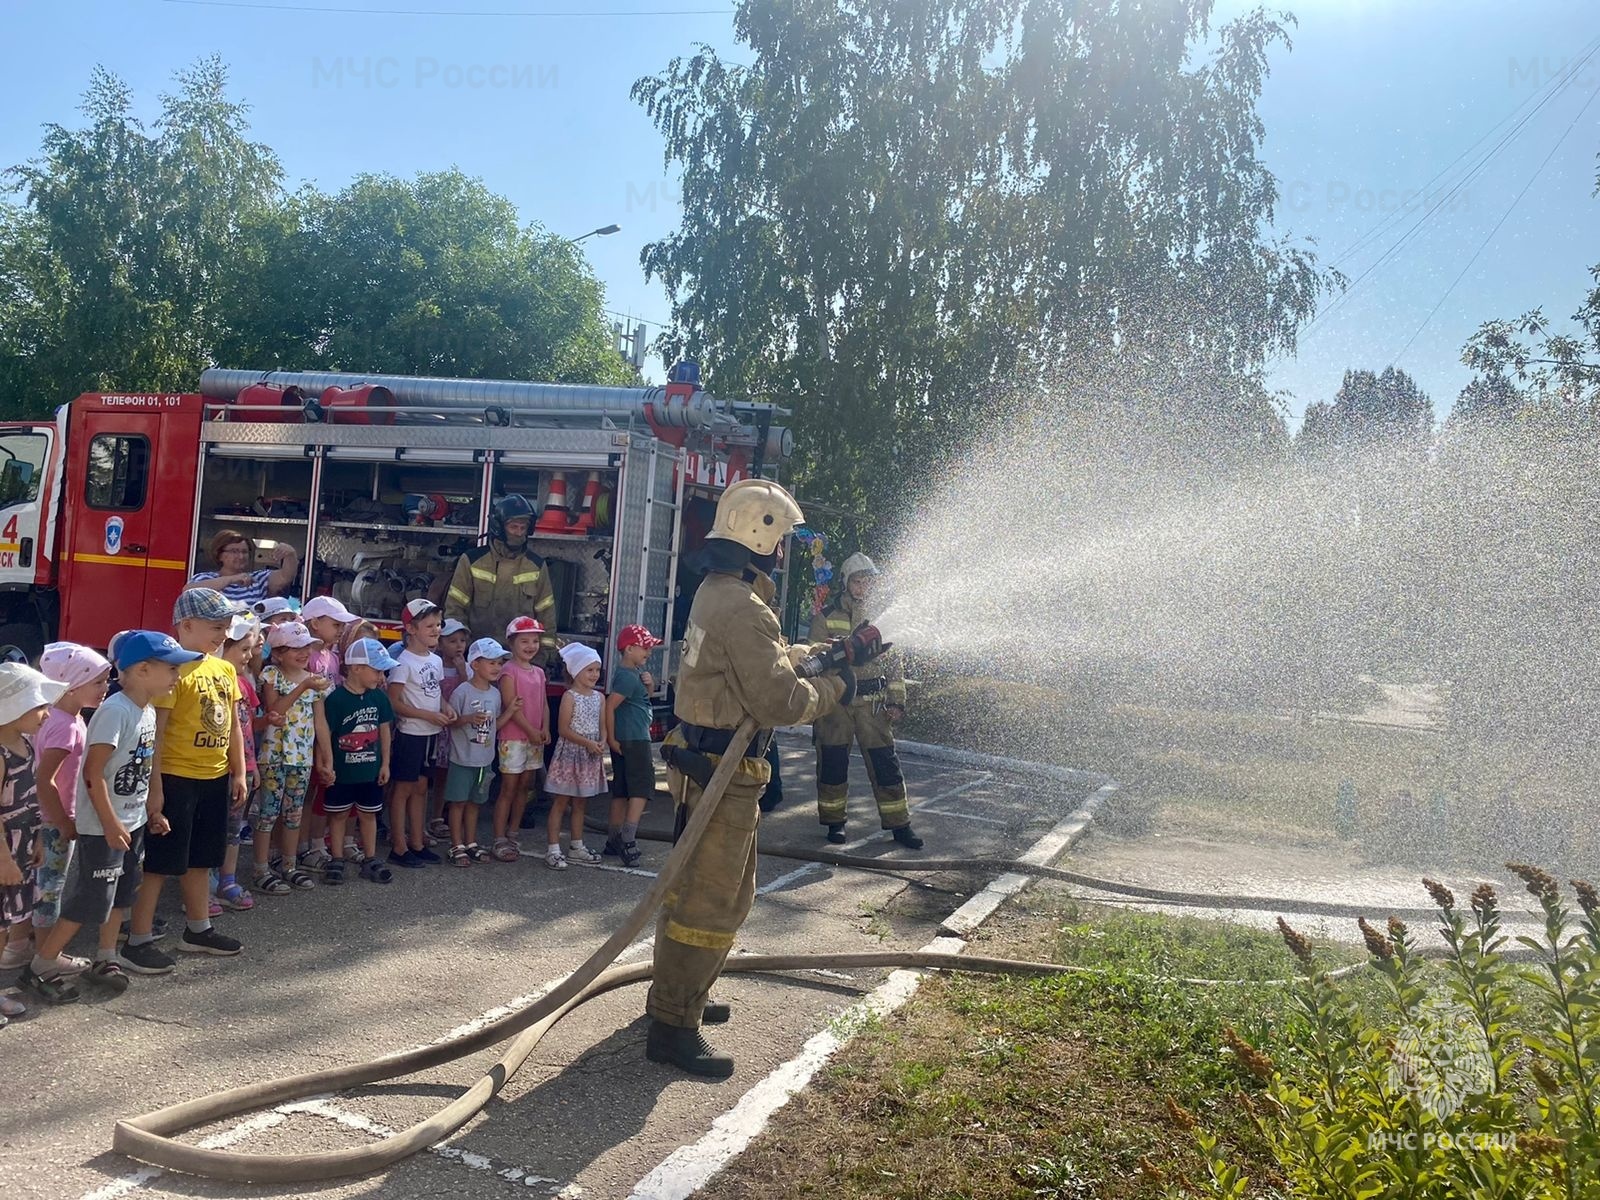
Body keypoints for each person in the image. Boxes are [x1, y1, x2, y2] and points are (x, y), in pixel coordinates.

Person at [645, 479, 874, 1077]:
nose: (783, 553)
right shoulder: (743, 608)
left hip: (708, 763)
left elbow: (754, 664)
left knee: (696, 887)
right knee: (714, 898)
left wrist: (809, 655)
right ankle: (672, 1026)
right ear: (758, 534)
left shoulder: (718, 592)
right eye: (779, 540)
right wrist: (837, 685)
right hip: (723, 772)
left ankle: (681, 997)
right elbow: (779, 701)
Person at [21, 633, 198, 1000]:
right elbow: (94, 774)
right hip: (104, 826)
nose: (177, 676)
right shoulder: (115, 711)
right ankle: (42, 964)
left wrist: (151, 809)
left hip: (129, 822)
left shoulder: (146, 709)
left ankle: (106, 955)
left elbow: (142, 766)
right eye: (171, 669)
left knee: (120, 894)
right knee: (89, 898)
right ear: (143, 670)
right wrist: (110, 823)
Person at [124, 589, 249, 971]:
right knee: (161, 862)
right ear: (187, 625)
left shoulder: (224, 668)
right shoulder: (172, 670)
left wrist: (239, 769)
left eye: (227, 628)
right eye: (216, 627)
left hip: (213, 776)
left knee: (202, 859)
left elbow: (233, 725)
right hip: (176, 776)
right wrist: (156, 787)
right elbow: (157, 733)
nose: (223, 636)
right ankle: (138, 937)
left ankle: (198, 928)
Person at [810, 553, 921, 849]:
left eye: (868, 582)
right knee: (832, 762)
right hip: (837, 704)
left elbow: (894, 662)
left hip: (873, 704)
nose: (863, 588)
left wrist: (896, 700)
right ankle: (834, 823)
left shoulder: (881, 617)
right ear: (847, 584)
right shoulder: (826, 617)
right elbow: (812, 657)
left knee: (886, 764)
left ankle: (900, 825)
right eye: (858, 582)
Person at [0, 664, 69, 1019]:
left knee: (7, 922)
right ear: (13, 708)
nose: (46, 713)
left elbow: (29, 800)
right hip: (3, 849)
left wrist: (37, 839)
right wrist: (4, 859)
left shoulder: (25, 744)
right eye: (39, 706)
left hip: (23, 843)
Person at [31, 644, 112, 940]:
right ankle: (45, 953)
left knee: (36, 883)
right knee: (50, 887)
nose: (105, 688)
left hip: (42, 815)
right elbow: (45, 779)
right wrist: (64, 821)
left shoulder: (49, 716)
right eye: (98, 682)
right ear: (70, 687)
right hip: (55, 819)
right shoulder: (67, 727)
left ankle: (18, 946)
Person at [250, 622, 331, 894]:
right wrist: (304, 685)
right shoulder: (272, 674)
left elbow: (321, 723)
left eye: (306, 646)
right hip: (274, 757)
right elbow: (274, 709)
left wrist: (327, 759)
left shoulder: (314, 679)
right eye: (295, 648)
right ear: (278, 653)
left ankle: (289, 864)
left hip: (302, 759)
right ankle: (261, 868)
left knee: (294, 813)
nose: (303, 652)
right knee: (268, 814)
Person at [315, 637, 397, 885]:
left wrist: (385, 763)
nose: (380, 676)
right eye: (376, 669)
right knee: (339, 815)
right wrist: (324, 764)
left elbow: (384, 731)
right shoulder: (336, 699)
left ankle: (370, 858)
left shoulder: (379, 698)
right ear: (356, 668)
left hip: (370, 769)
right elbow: (325, 735)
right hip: (343, 771)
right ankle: (337, 857)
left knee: (368, 814)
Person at [445, 494, 558, 666]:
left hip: (520, 660)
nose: (519, 533)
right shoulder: (472, 560)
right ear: (499, 527)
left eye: (523, 528)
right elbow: (455, 609)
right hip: (479, 657)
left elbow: (546, 615)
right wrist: (464, 649)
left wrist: (543, 658)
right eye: (513, 527)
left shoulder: (536, 566)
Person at [387, 599, 453, 868]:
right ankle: (398, 845)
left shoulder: (435, 660)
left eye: (438, 624)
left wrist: (446, 708)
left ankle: (417, 841)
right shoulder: (402, 662)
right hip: (410, 733)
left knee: (422, 786)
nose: (436, 630)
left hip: (431, 732)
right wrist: (428, 715)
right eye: (429, 625)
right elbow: (395, 702)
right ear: (411, 628)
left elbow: (435, 693)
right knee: (403, 788)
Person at [444, 638, 513, 867]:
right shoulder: (463, 691)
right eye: (491, 662)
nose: (497, 667)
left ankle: (471, 842)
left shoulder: (495, 694)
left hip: (485, 761)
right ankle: (456, 844)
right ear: (475, 664)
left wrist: (510, 711)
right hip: (462, 759)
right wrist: (468, 719)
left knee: (475, 802)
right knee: (458, 802)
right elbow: (450, 722)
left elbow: (495, 726)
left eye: (499, 663)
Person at [212, 614, 261, 913]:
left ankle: (227, 880)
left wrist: (248, 768)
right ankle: (204, 884)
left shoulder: (244, 684)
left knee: (232, 828)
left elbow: (246, 729)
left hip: (242, 768)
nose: (249, 655)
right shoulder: (216, 681)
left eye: (250, 649)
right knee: (211, 829)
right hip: (216, 768)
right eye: (243, 649)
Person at [543, 643, 607, 870]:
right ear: (575, 671)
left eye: (597, 670)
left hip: (589, 756)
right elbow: (563, 730)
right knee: (561, 802)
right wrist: (588, 743)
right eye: (589, 670)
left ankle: (577, 846)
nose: (594, 675)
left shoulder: (599, 698)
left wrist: (602, 741)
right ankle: (553, 849)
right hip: (571, 755)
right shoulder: (569, 697)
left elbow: (603, 726)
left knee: (581, 802)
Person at [603, 624, 661, 868]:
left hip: (630, 737)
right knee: (641, 788)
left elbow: (641, 700)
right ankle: (628, 839)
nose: (649, 651)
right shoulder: (627, 677)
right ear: (628, 649)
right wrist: (611, 738)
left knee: (622, 789)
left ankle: (613, 838)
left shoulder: (632, 674)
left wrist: (649, 686)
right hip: (634, 739)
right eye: (644, 647)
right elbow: (610, 706)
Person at [492, 615, 549, 862]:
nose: (530, 646)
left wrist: (545, 728)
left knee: (526, 786)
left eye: (535, 641)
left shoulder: (539, 672)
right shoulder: (508, 671)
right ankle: (498, 837)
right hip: (513, 738)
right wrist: (531, 731)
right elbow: (510, 706)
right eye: (524, 641)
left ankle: (513, 831)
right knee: (509, 787)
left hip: (534, 739)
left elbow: (544, 703)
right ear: (511, 643)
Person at [427, 618, 471, 844]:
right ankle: (428, 817)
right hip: (435, 725)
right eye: (452, 640)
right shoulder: (433, 663)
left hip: (456, 729)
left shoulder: (466, 667)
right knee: (430, 773)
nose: (459, 645)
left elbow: (469, 690)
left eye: (462, 640)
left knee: (449, 772)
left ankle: (442, 815)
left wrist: (463, 671)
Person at [189, 529, 300, 606]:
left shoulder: (258, 579)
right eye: (234, 551)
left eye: (244, 552)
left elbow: (286, 576)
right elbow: (189, 591)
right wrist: (231, 579)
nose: (241, 556)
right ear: (219, 554)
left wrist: (290, 554)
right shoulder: (205, 578)